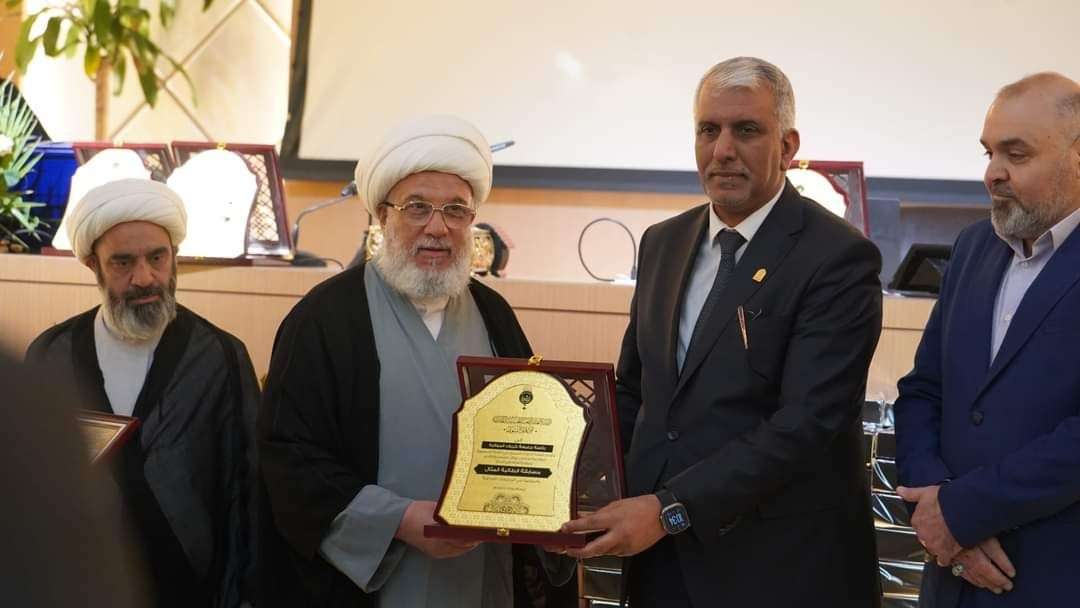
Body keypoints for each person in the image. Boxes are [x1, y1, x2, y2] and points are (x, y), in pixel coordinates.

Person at [562, 56, 883, 607]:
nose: (723, 150)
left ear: (787, 146)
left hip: (779, 571)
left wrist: (667, 510)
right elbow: (638, 392)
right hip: (661, 567)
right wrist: (562, 484)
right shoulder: (663, 243)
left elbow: (805, 425)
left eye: (746, 130)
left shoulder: (838, 258)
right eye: (708, 130)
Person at [257, 115, 574, 608]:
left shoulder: (494, 314)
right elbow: (288, 457)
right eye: (417, 208)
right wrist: (399, 520)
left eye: (455, 210)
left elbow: (532, 433)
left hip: (483, 574)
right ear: (382, 216)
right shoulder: (324, 318)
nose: (438, 228)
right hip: (372, 581)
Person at [26, 178, 259, 608]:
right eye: (122, 263)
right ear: (93, 266)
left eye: (157, 258)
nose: (144, 278)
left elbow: (247, 499)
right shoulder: (51, 356)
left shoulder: (220, 357)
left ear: (175, 258)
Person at [895, 72, 1080, 607]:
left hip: (1053, 578)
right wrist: (934, 511)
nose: (992, 174)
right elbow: (924, 390)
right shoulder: (975, 247)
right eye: (988, 153)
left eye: (1016, 155)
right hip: (951, 582)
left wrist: (962, 513)